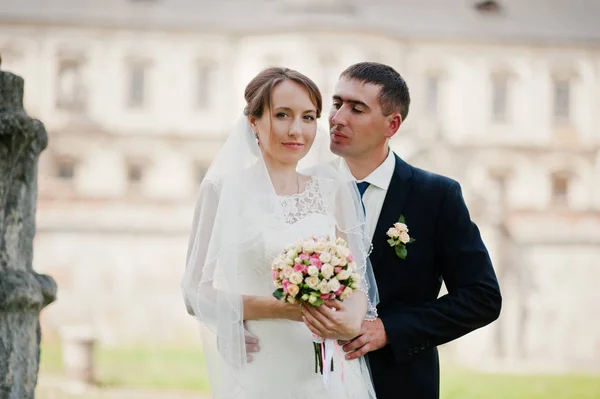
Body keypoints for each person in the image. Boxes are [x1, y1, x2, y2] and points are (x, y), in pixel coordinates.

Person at [292, 62, 503, 398]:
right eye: (337, 103)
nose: (337, 118)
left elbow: (482, 298)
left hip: (399, 383)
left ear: (392, 124)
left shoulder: (436, 196)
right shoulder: (300, 188)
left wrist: (390, 330)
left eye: (357, 109)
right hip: (306, 380)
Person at [181, 67, 379, 399]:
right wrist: (278, 309)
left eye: (307, 117)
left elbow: (357, 283)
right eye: (282, 115)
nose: (295, 130)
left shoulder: (333, 192)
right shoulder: (222, 190)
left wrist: (350, 320)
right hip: (263, 364)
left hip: (328, 370)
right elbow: (193, 291)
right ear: (253, 121)